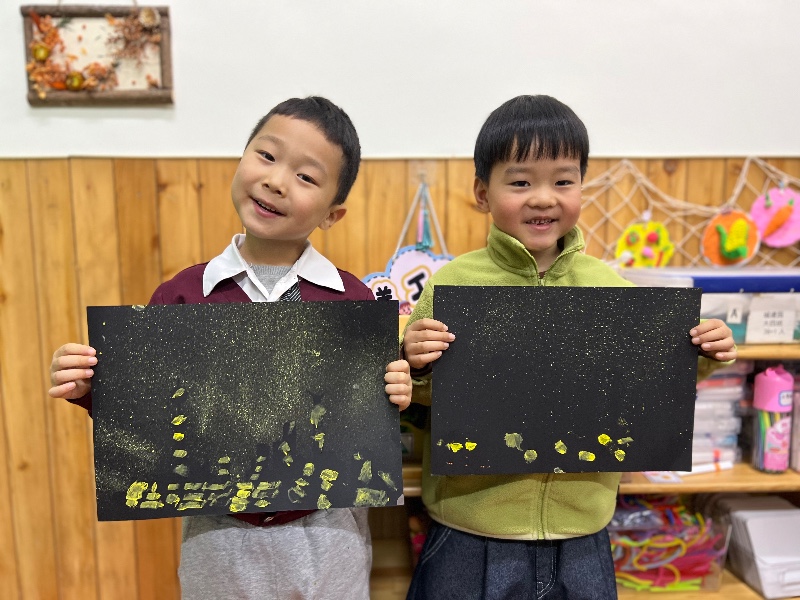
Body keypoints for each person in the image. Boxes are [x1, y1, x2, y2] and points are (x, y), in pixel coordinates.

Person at [49, 96, 412, 600]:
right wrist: (92, 387)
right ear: (241, 159)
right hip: (218, 535)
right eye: (267, 156)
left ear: (333, 213)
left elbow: (368, 415)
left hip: (329, 534)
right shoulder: (182, 296)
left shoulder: (352, 302)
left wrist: (393, 392)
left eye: (306, 177)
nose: (277, 181)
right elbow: (150, 414)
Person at [401, 95, 737, 600]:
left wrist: (700, 355)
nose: (543, 198)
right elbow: (419, 399)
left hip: (583, 532)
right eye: (520, 182)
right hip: (470, 529)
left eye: (563, 181)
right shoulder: (453, 284)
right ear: (482, 192)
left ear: (582, 185)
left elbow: (643, 389)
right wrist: (415, 364)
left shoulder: (609, 288)